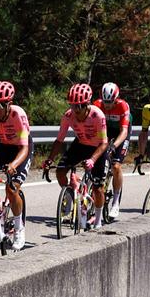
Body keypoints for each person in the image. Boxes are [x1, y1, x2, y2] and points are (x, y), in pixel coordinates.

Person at [51, 84, 110, 218]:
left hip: (97, 148)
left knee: (97, 187)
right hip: (81, 144)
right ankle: (70, 195)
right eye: (72, 105)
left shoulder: (97, 115)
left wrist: (92, 159)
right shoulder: (68, 115)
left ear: (87, 104)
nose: (75, 109)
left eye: (79, 106)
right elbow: (59, 140)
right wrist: (49, 159)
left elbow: (104, 143)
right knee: (60, 171)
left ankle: (98, 219)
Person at [0, 80, 32, 250]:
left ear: (9, 104)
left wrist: (13, 164)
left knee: (12, 188)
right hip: (3, 146)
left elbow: (24, 147)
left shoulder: (17, 114)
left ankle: (19, 228)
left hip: (20, 148)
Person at [95, 82, 132, 222]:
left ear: (116, 98)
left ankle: (116, 201)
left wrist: (114, 146)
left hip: (122, 131)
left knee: (116, 166)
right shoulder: (97, 104)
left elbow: (123, 132)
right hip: (106, 131)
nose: (107, 105)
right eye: (105, 101)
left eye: (110, 102)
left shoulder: (123, 105)